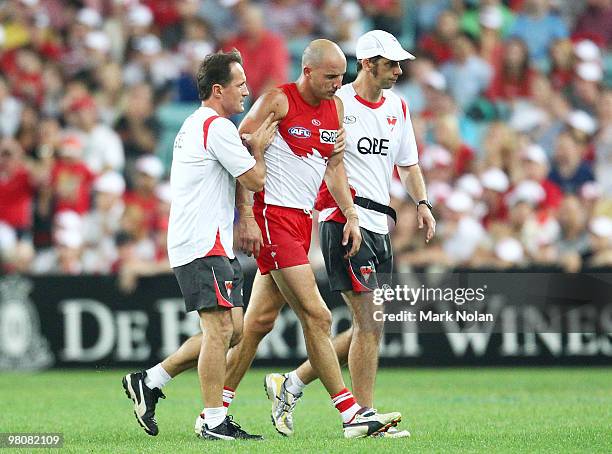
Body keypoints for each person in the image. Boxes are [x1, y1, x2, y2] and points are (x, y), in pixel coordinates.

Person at [263, 29, 436, 439]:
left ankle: (291, 383)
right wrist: (343, 212)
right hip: (343, 221)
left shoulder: (398, 106)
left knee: (370, 323)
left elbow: (408, 165)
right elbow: (324, 162)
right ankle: (364, 416)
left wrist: (423, 203)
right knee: (369, 321)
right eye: (391, 63)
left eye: (399, 64)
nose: (397, 70)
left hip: (380, 224)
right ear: (367, 63)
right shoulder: (335, 103)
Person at [121, 50, 277, 441]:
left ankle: (151, 380)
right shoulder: (216, 127)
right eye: (240, 84)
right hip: (201, 241)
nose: (246, 90)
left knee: (233, 330)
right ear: (219, 89)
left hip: (209, 240)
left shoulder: (199, 125)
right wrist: (257, 147)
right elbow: (255, 179)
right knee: (219, 330)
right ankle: (212, 420)